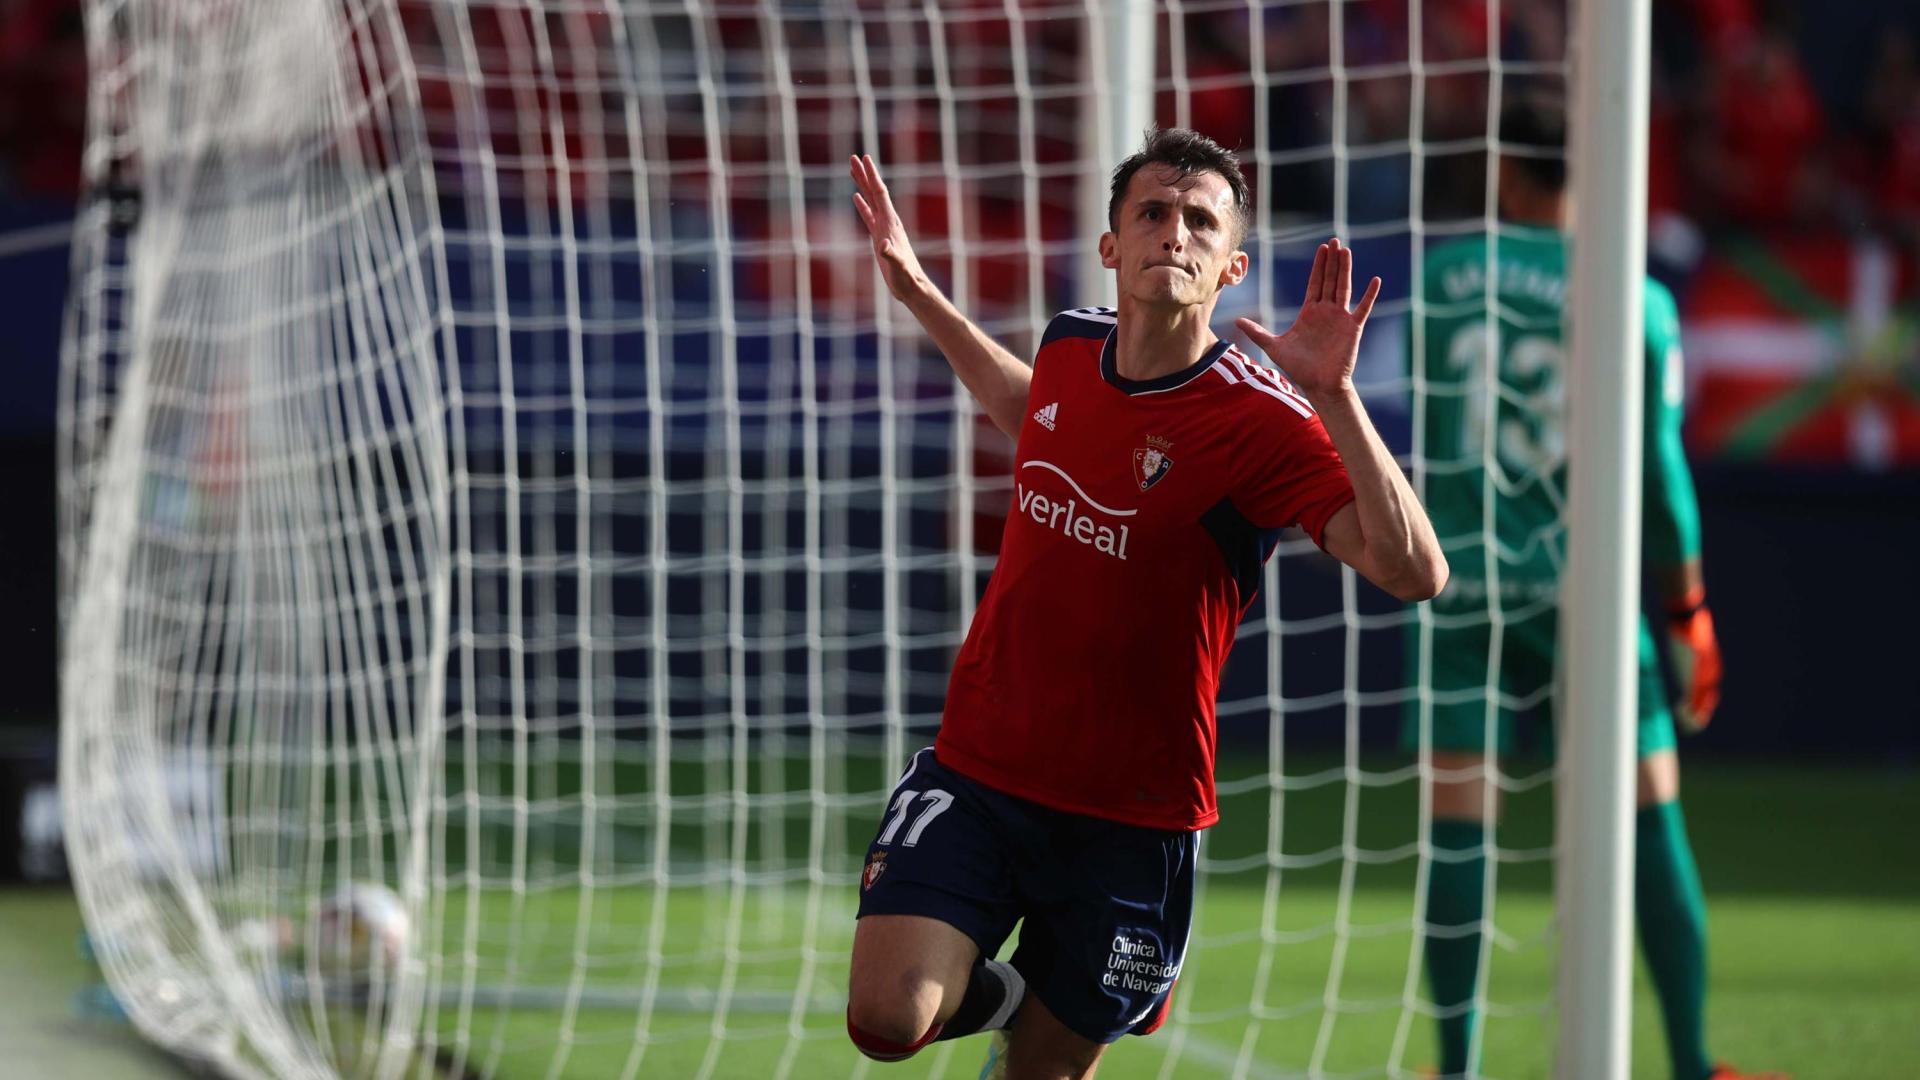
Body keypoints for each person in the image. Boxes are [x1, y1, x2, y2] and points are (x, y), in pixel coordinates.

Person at [842, 128, 1447, 1080]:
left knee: (1041, 1074)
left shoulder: (1263, 420)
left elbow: (1415, 573)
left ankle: (1037, 1020)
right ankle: (1020, 994)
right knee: (886, 1015)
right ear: (1111, 244)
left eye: (1200, 221)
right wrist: (919, 291)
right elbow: (1036, 414)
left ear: (1233, 266)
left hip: (1134, 818)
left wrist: (1335, 397)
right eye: (1153, 213)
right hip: (983, 771)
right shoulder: (1070, 343)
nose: (1175, 233)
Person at [1405, 96, 1780, 1080]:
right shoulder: (1635, 299)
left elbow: (1429, 433)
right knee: (1651, 813)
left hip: (1463, 584)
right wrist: (1688, 610)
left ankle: (1455, 1066)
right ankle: (1693, 1062)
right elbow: (1661, 474)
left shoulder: (1441, 280)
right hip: (1589, 596)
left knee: (1459, 825)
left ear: (1504, 171)